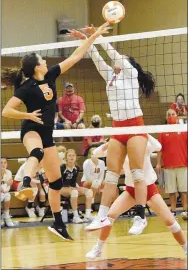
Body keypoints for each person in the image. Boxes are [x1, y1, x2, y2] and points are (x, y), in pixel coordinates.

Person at [1, 21, 109, 240]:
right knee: (36, 153)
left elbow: (76, 56)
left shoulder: (50, 75)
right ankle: (25, 183)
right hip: (31, 129)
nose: (45, 60)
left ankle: (58, 224)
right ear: (36, 67)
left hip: (48, 133)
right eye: (42, 60)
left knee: (56, 183)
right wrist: (28, 115)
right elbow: (6, 111)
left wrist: (94, 36)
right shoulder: (26, 87)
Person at [68, 26, 155, 232]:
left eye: (121, 59)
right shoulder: (111, 76)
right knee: (111, 175)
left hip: (134, 126)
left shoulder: (131, 73)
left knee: (136, 173)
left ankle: (140, 216)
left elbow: (112, 53)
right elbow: (96, 56)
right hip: (118, 128)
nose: (117, 60)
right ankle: (101, 217)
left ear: (127, 64)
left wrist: (98, 35)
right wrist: (88, 39)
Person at [85, 136, 187, 259]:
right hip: (131, 190)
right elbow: (96, 153)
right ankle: (98, 248)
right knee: (109, 216)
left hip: (148, 189)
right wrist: (112, 139)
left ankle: (185, 248)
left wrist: (145, 134)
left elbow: (158, 146)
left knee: (170, 221)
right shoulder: (121, 148)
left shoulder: (142, 145)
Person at [156, 109, 187, 219]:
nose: (170, 116)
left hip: (183, 165)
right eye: (168, 115)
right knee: (171, 191)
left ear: (177, 116)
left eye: (172, 114)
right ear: (166, 117)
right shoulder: (162, 131)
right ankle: (173, 211)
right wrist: (158, 163)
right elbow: (159, 149)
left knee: (184, 191)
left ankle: (186, 210)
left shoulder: (183, 130)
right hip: (168, 166)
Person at [60, 149, 93, 223]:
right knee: (74, 192)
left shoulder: (77, 168)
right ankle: (75, 216)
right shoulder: (62, 167)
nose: (71, 157)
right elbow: (59, 181)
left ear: (76, 157)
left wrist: (76, 187)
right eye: (69, 155)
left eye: (73, 155)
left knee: (89, 191)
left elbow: (73, 181)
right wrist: (69, 187)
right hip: (61, 188)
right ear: (66, 158)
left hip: (72, 187)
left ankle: (88, 216)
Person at [1, 158, 16, 227]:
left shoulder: (9, 172)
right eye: (1, 162)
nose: (3, 164)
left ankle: (6, 216)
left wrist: (5, 190)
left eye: (5, 162)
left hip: (4, 191)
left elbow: (9, 185)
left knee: (7, 195)